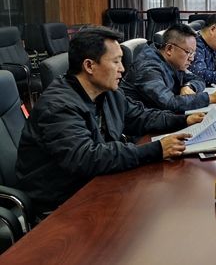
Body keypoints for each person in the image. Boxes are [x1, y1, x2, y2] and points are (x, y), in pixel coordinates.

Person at [16, 26, 205, 217]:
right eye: (115, 62)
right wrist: (156, 149)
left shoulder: (108, 93)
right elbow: (86, 158)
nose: (122, 68)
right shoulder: (58, 106)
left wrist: (183, 120)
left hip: (98, 183)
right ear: (89, 66)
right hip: (62, 202)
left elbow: (141, 117)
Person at [120, 23, 216, 113]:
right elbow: (169, 103)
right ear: (169, 49)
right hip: (142, 128)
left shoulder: (172, 61)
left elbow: (198, 79)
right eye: (189, 52)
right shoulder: (148, 68)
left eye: (193, 53)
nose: (192, 58)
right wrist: (211, 98)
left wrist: (189, 86)